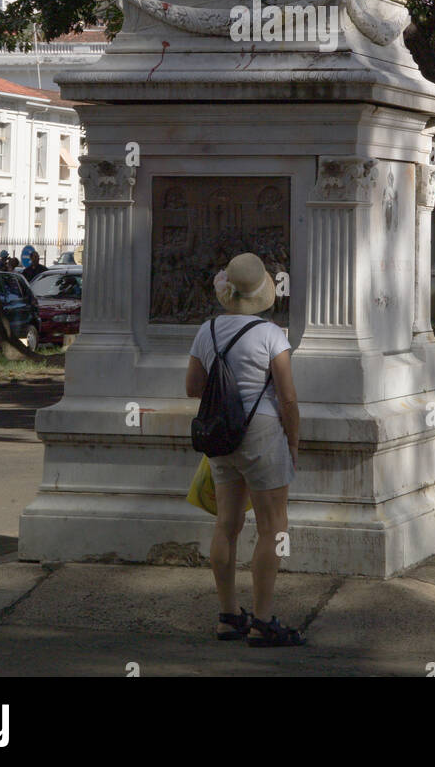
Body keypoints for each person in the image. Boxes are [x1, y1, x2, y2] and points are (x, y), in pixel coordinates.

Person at [185, 252, 305, 647]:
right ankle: (264, 620)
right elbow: (288, 399)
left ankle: (227, 614)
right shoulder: (272, 335)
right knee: (273, 528)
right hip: (264, 433)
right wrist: (293, 442)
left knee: (226, 525)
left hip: (223, 436)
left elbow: (192, 387)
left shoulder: (208, 330)